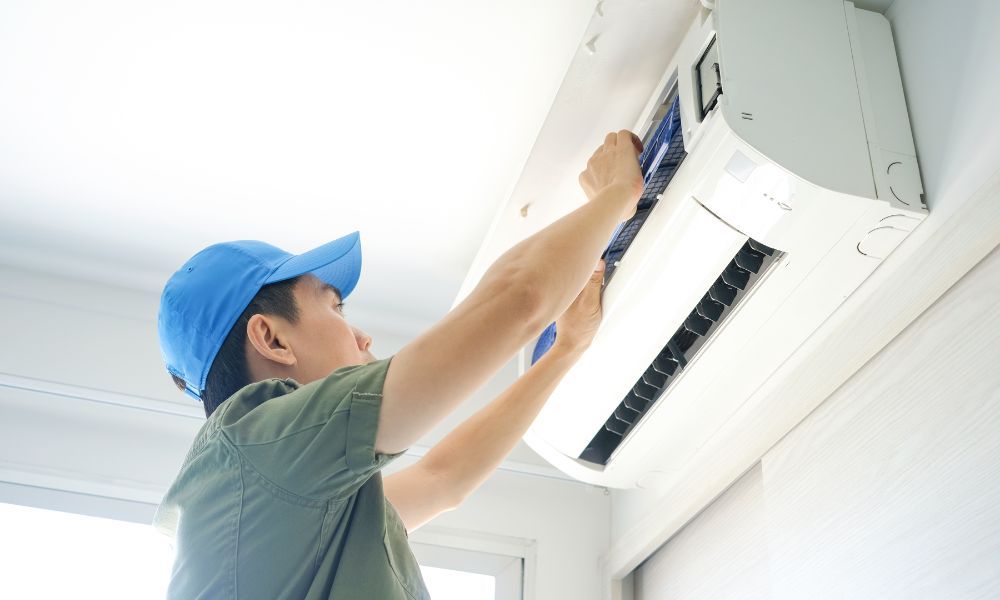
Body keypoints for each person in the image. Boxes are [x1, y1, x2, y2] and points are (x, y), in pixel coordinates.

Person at [153, 130, 645, 599]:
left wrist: (566, 349)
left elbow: (443, 478)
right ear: (272, 338)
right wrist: (616, 195)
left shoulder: (278, 499)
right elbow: (519, 299)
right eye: (334, 306)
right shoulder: (259, 445)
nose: (361, 335)